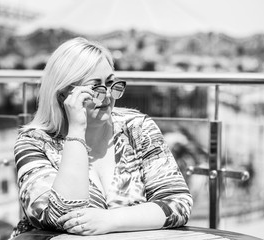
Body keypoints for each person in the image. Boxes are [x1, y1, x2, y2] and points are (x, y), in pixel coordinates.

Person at [11, 37, 193, 237]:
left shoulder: (137, 127)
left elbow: (178, 203)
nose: (107, 95)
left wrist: (110, 220)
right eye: (95, 87)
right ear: (63, 95)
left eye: (111, 83)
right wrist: (76, 132)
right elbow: (62, 215)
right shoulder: (34, 142)